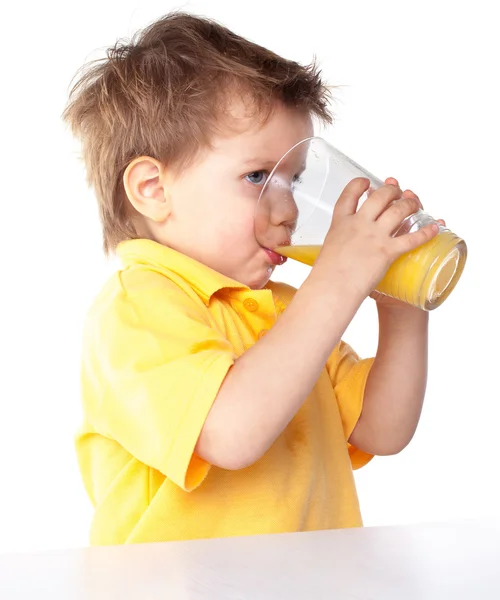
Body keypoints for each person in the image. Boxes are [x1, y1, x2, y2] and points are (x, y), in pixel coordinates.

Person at [63, 11, 440, 545]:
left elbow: (381, 430)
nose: (286, 208)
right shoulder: (136, 310)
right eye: (258, 176)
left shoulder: (285, 310)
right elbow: (232, 434)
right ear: (153, 188)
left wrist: (400, 308)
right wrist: (336, 279)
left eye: (295, 178)